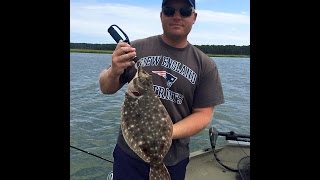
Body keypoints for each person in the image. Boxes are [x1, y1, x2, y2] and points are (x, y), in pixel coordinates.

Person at [99, 0, 224, 179]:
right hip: (129, 155)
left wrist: (164, 133)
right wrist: (113, 71)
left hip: (173, 159)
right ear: (161, 14)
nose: (177, 16)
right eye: (169, 10)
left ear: (194, 17)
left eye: (185, 11)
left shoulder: (205, 65)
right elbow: (106, 88)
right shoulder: (136, 49)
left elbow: (204, 115)